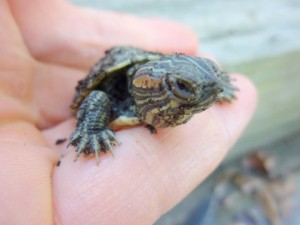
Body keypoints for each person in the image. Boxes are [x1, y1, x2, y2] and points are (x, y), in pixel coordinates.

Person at [0, 0, 257, 224]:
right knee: (99, 99)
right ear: (151, 85)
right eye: (182, 87)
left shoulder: (189, 85)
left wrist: (214, 86)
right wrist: (92, 129)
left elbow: (203, 81)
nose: (208, 92)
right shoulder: (114, 94)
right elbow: (96, 97)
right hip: (119, 91)